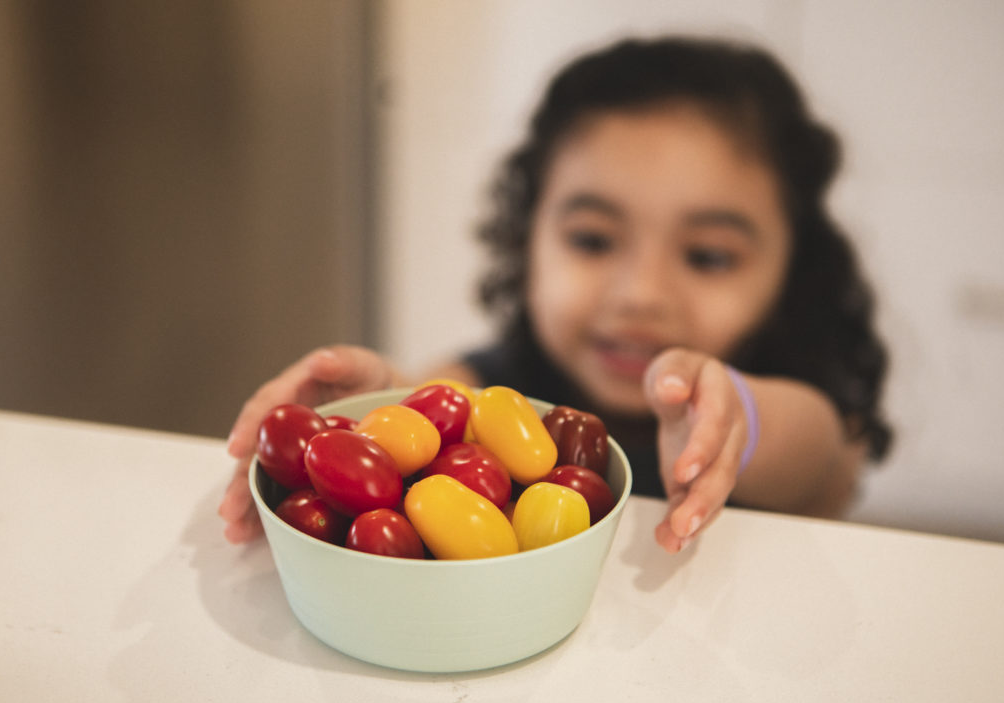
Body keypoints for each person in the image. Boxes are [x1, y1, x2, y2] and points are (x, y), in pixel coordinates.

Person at [218, 35, 892, 554]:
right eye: (594, 241)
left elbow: (819, 455)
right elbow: (434, 413)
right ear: (526, 239)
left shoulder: (790, 403)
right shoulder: (498, 384)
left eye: (708, 256)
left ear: (791, 270)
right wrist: (371, 416)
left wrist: (734, 417)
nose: (641, 294)